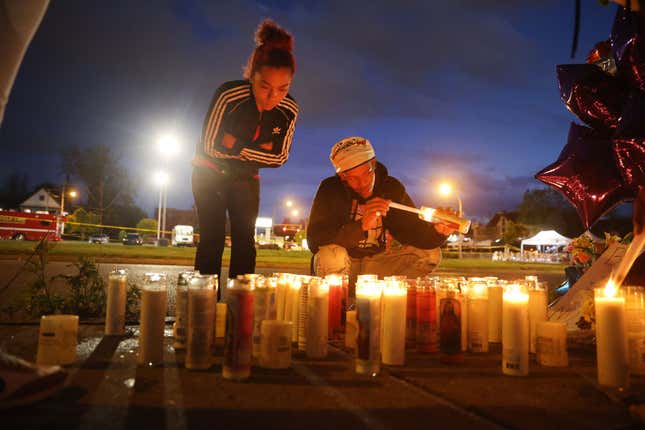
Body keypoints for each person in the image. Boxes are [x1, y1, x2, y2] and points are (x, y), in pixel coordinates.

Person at [192, 19, 298, 298]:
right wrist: (257, 149)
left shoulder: (288, 110)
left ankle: (240, 307)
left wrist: (237, 145)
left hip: (247, 179)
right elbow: (210, 145)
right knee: (212, 240)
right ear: (251, 74)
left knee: (245, 243)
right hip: (208, 173)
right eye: (265, 86)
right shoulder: (229, 94)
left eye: (283, 88)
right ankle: (204, 307)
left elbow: (280, 157)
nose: (272, 97)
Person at [307, 136, 458, 295]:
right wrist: (362, 226)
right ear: (343, 177)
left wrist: (438, 232)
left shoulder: (390, 188)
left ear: (374, 164)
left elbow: (413, 231)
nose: (362, 183)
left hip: (376, 266)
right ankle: (336, 307)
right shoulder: (330, 189)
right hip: (343, 266)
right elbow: (316, 240)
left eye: (367, 174)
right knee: (331, 255)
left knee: (429, 254)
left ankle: (387, 299)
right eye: (353, 178)